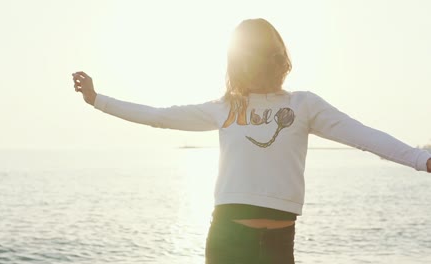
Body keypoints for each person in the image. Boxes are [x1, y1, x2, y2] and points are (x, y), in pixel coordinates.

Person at [72, 18, 431, 264]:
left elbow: (363, 136)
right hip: (228, 240)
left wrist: (421, 159)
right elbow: (159, 116)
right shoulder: (224, 108)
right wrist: (97, 100)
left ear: (278, 59)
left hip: (278, 245)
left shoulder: (303, 105)